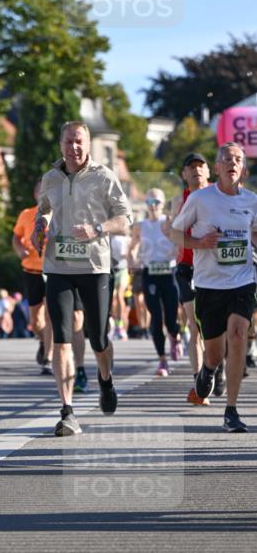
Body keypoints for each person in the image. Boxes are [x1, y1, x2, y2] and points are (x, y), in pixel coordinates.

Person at [33, 120, 133, 436]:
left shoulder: (104, 177)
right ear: (60, 145)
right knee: (61, 338)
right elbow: (44, 209)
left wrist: (98, 229)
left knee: (98, 337)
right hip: (59, 266)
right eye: (68, 142)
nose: (74, 147)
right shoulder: (50, 179)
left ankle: (106, 381)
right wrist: (40, 225)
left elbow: (126, 218)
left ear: (87, 144)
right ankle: (67, 411)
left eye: (79, 141)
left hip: (94, 267)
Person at [170, 142, 257, 432]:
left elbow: (254, 233)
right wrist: (199, 243)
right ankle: (208, 369)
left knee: (238, 334)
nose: (232, 163)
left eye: (238, 159)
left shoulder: (252, 201)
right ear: (217, 168)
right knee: (215, 353)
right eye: (226, 159)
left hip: (243, 281)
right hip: (208, 285)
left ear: (243, 169)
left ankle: (231, 409)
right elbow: (174, 232)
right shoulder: (200, 199)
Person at [166, 153, 215, 405]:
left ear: (209, 171)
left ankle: (215, 369)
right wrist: (177, 241)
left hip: (216, 269)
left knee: (216, 328)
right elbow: (170, 231)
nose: (196, 170)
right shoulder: (178, 201)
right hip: (188, 268)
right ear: (184, 174)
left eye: (200, 166)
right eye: (190, 167)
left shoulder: (219, 196)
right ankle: (199, 383)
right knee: (195, 327)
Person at [128, 188, 181, 377]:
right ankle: (162, 360)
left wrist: (174, 248)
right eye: (149, 202)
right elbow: (132, 247)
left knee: (171, 318)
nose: (153, 206)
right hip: (150, 272)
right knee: (156, 318)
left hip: (169, 273)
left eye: (156, 202)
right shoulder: (140, 226)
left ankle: (175, 336)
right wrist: (132, 260)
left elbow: (181, 246)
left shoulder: (170, 223)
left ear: (163, 203)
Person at [12, 182, 53, 373]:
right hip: (31, 271)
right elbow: (16, 237)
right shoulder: (26, 214)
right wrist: (20, 250)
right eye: (40, 191)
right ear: (35, 194)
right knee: (36, 321)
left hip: (53, 271)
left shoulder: (58, 215)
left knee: (50, 315)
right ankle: (43, 342)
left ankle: (48, 358)